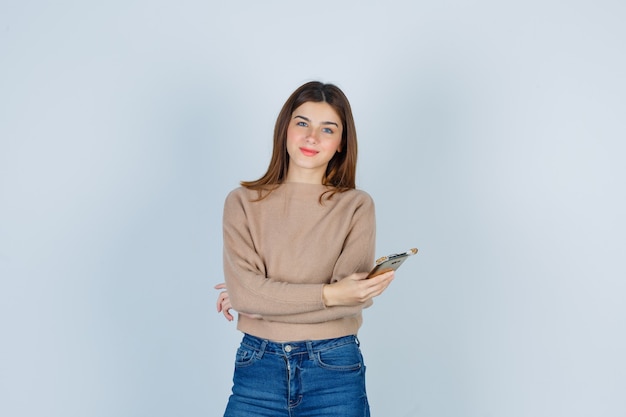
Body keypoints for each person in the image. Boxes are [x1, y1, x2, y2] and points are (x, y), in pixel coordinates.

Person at [215, 81, 395, 417]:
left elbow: (351, 297)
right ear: (284, 128)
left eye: (328, 129)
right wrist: (332, 294)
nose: (312, 137)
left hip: (334, 370)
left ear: (342, 143)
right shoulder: (242, 202)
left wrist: (261, 301)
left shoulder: (355, 206)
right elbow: (340, 296)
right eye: (302, 123)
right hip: (258, 370)